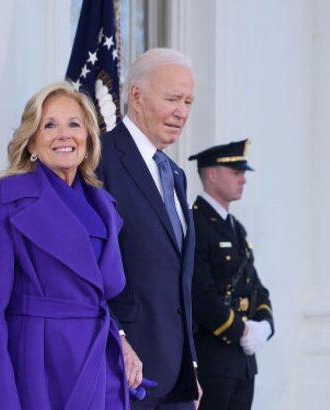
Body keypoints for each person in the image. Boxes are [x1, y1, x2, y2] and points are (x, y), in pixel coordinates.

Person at [0, 81, 129, 410]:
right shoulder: (7, 200)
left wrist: (123, 342)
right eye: (50, 125)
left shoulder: (103, 204)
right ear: (31, 139)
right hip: (40, 367)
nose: (64, 135)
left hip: (98, 363)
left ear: (88, 137)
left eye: (74, 124)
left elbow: (98, 295)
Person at [97, 48, 200, 409]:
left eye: (188, 101)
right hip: (124, 372)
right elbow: (88, 270)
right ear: (136, 97)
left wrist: (192, 368)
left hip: (177, 382)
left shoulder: (176, 175)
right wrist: (119, 339)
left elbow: (177, 282)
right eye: (172, 98)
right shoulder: (98, 160)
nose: (182, 111)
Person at [188, 139, 274, 410]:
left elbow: (256, 286)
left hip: (242, 362)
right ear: (212, 174)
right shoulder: (196, 223)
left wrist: (264, 326)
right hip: (213, 358)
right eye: (236, 173)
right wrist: (241, 330)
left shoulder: (235, 228)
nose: (243, 180)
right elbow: (200, 293)